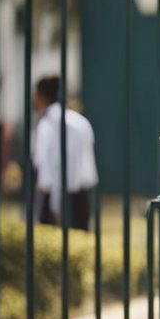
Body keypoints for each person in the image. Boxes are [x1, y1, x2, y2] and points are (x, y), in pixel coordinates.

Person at [31, 75, 98, 230]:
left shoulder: (46, 125)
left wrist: (54, 204)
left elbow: (44, 172)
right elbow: (88, 173)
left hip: (52, 198)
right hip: (80, 197)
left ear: (41, 95)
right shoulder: (81, 122)